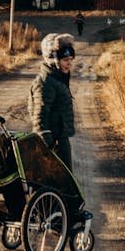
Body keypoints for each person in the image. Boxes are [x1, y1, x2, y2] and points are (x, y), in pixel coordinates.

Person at [28, 33, 76, 167]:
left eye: (71, 59)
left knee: (66, 183)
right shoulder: (45, 83)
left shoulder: (57, 79)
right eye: (65, 60)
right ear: (53, 60)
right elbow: (39, 118)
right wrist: (49, 148)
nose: (69, 64)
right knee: (59, 184)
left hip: (60, 140)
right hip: (53, 143)